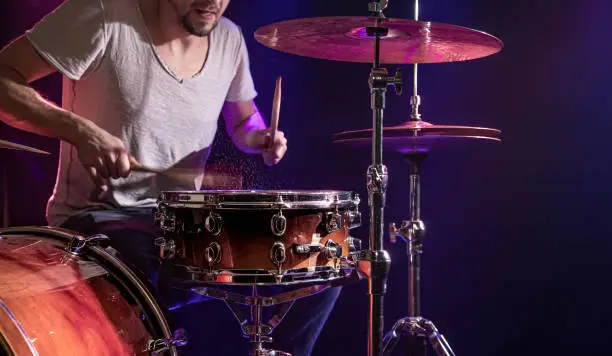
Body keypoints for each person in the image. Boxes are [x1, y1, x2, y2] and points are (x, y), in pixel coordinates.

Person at [0, 0, 342, 355]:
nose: (213, 2)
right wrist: (80, 131)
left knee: (312, 270)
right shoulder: (102, 13)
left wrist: (260, 136)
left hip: (186, 227)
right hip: (101, 220)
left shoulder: (228, 38)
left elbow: (242, 120)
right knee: (160, 271)